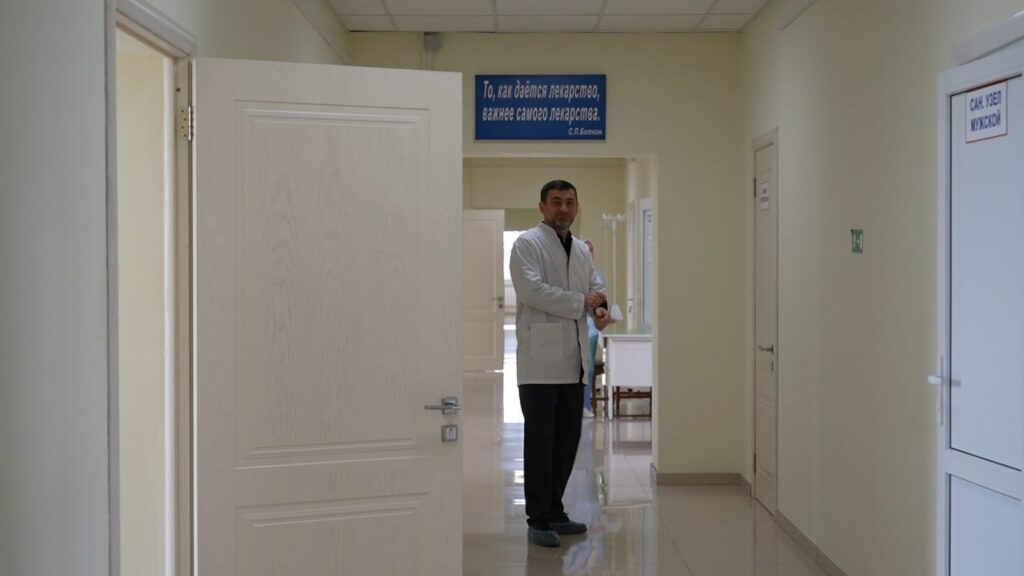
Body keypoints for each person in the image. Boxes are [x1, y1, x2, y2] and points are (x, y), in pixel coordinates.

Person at [510, 179, 615, 548]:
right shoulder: (527, 244)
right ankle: (537, 519)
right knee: (541, 442)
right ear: (542, 207)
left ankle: (556, 511)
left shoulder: (582, 249)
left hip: (574, 362)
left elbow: (596, 285)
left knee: (567, 441)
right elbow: (532, 291)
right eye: (556, 202)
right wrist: (582, 301)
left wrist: (600, 307)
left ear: (577, 207)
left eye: (570, 202)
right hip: (539, 364)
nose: (563, 208)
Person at [581, 240, 607, 419]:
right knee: (578, 368)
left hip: (591, 328)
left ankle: (585, 405)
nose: (588, 253)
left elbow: (601, 304)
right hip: (575, 325)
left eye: (590, 250)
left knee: (588, 367)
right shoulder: (574, 274)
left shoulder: (599, 277)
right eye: (584, 250)